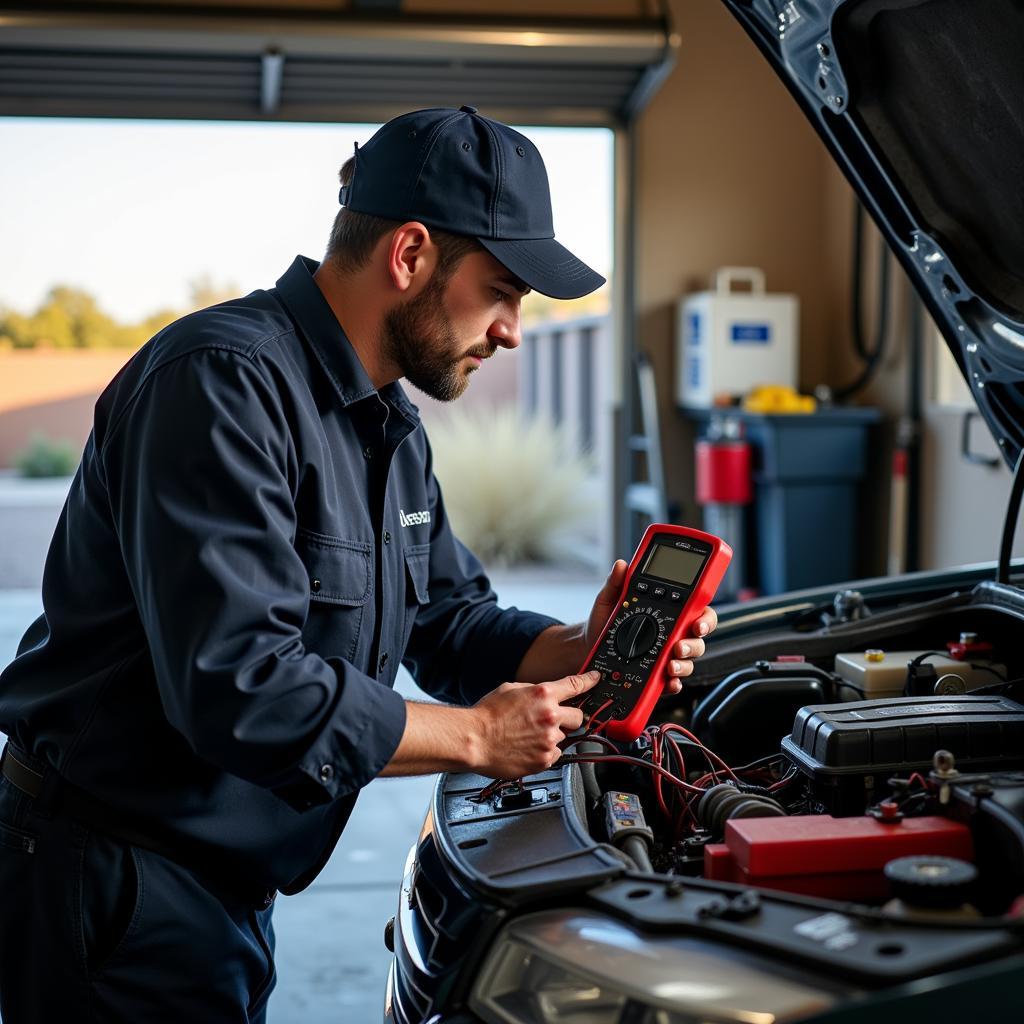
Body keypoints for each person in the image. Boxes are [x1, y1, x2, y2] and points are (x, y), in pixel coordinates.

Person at [0, 106, 717, 1022]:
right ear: (410, 255)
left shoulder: (387, 423)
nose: (512, 332)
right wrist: (474, 738)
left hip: (218, 875)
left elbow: (449, 621)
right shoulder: (220, 384)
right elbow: (242, 687)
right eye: (502, 289)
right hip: (113, 878)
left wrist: (583, 644)